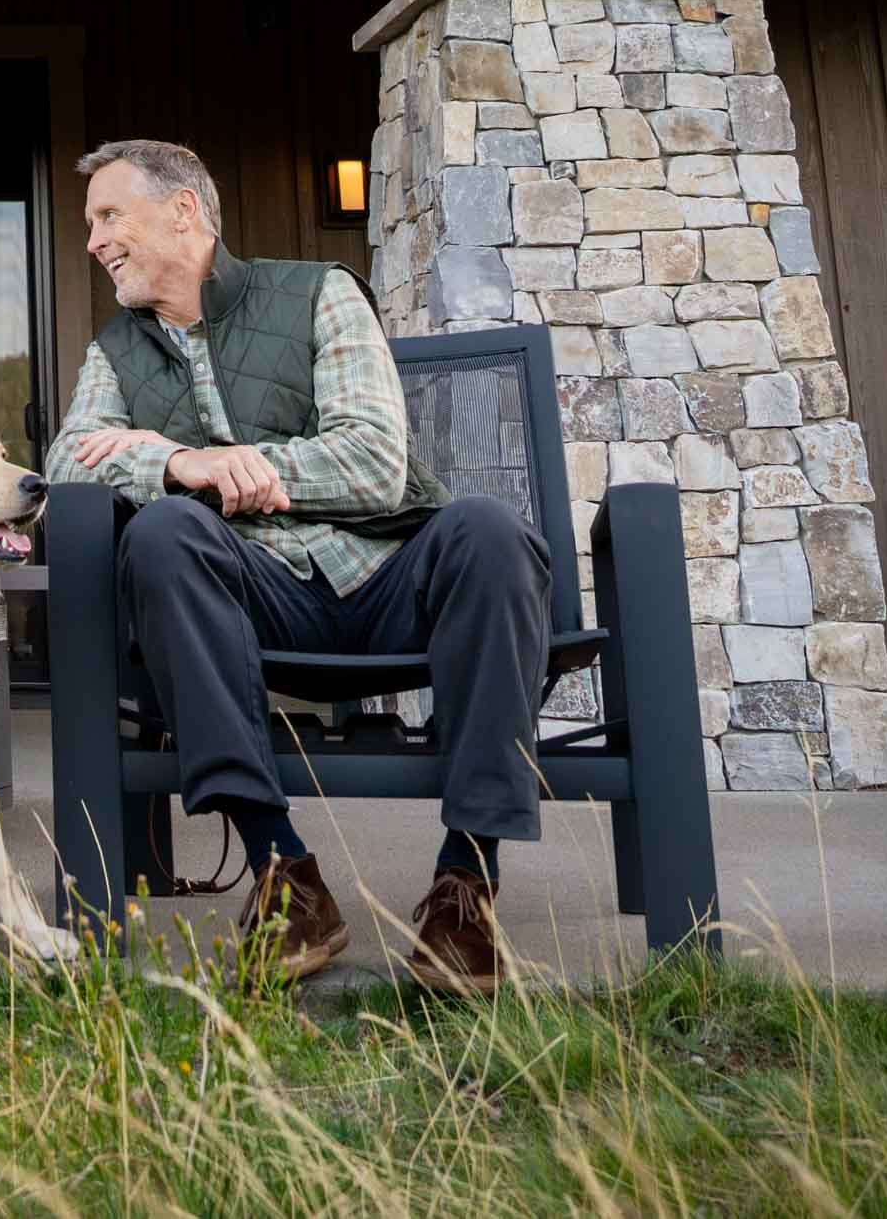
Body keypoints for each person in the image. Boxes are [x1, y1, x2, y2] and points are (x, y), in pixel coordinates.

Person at [44, 139, 551, 992]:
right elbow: (66, 464)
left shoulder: (320, 295)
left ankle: (467, 882)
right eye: (89, 225)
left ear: (183, 212)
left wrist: (248, 465)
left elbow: (372, 462)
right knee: (164, 533)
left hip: (393, 580)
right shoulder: (113, 353)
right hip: (255, 598)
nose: (92, 243)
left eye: (107, 217)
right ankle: (285, 876)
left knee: (491, 533)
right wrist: (175, 463)